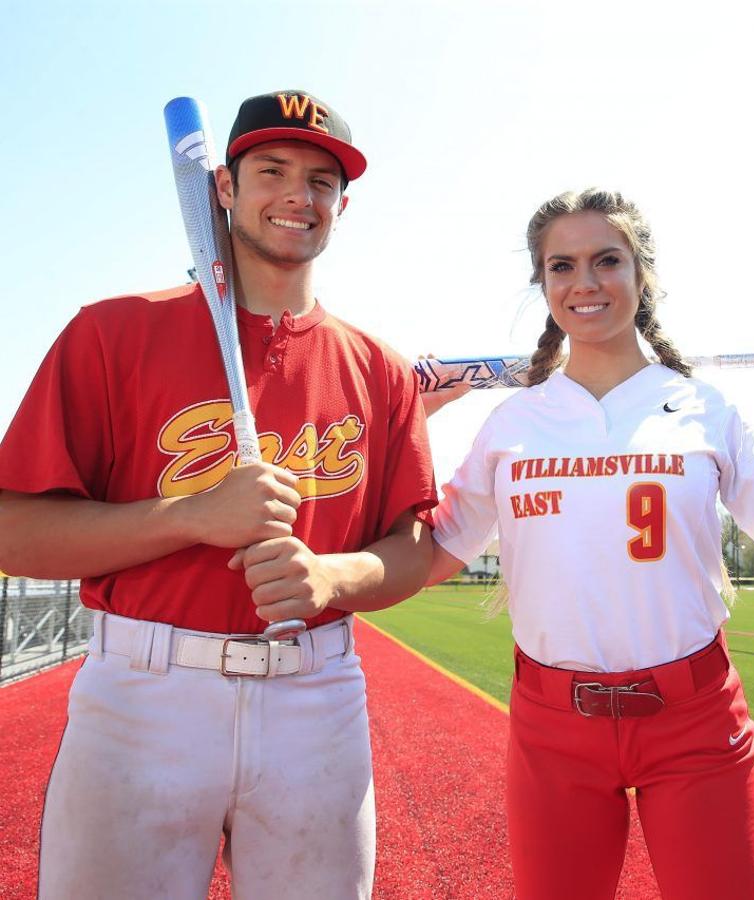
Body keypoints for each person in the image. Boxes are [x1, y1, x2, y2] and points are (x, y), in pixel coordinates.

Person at [0, 90, 436, 898]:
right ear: (224, 188)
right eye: (272, 170)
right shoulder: (112, 332)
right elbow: (13, 533)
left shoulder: (378, 368)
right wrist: (193, 517)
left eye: (322, 180)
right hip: (145, 692)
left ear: (343, 205)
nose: (298, 195)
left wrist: (331, 577)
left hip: (316, 695)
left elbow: (414, 549)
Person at [424, 188, 754, 899]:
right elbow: (430, 560)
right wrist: (413, 420)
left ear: (641, 273)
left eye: (607, 260)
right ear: (541, 283)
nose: (585, 282)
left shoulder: (706, 409)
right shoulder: (513, 422)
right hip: (553, 726)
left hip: (694, 722)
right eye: (561, 266)